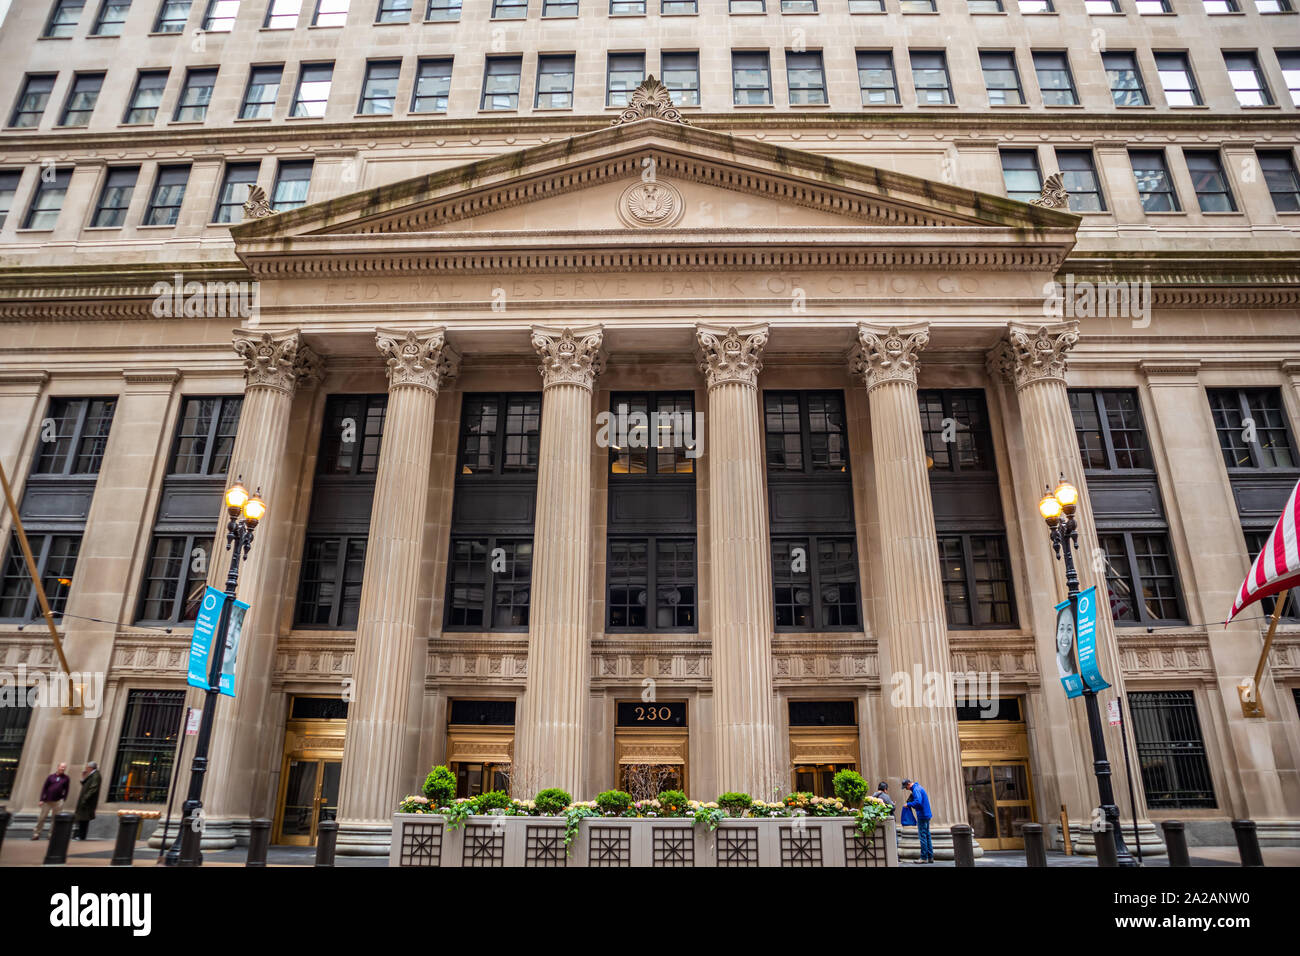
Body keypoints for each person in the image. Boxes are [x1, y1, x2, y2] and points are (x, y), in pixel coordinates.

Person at [30, 762, 70, 840]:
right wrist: (41, 799)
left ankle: (51, 834)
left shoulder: (66, 778)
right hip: (47, 801)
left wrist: (63, 799)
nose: (63, 768)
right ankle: (36, 834)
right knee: (41, 818)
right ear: (58, 767)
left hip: (58, 801)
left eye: (64, 767)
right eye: (62, 767)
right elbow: (44, 788)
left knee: (54, 819)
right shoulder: (51, 777)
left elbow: (67, 789)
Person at [903, 778, 934, 863]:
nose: (906, 789)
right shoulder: (919, 787)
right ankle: (930, 857)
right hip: (926, 814)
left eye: (906, 787)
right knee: (927, 835)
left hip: (922, 815)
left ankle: (924, 858)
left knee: (922, 836)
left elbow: (918, 802)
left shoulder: (916, 789)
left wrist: (908, 804)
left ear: (909, 784)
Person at [73, 762, 100, 840]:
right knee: (82, 818)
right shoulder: (91, 774)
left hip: (87, 802)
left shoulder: (96, 775)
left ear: (91, 768)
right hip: (85, 800)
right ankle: (80, 835)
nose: (86, 768)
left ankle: (81, 836)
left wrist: (85, 798)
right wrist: (84, 777)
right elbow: (86, 784)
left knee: (84, 819)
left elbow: (93, 788)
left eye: (87, 767)